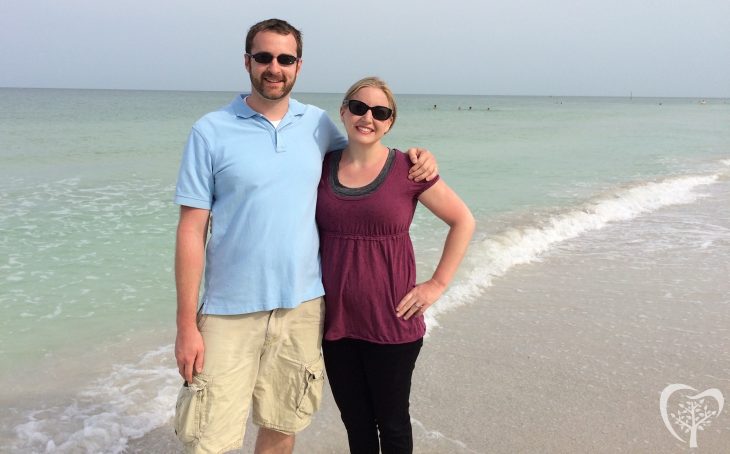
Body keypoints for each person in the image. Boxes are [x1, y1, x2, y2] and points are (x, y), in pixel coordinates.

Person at [172, 19, 437, 454]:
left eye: (285, 58)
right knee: (209, 438)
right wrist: (186, 324)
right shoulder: (210, 131)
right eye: (264, 57)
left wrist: (417, 156)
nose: (274, 68)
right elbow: (190, 229)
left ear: (298, 65)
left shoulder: (317, 125)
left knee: (282, 425)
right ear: (247, 62)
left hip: (304, 308)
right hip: (228, 312)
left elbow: (364, 150)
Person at [316, 77, 475, 453]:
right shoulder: (321, 167)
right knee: (355, 423)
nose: (367, 117)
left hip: (392, 322)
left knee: (392, 423)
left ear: (390, 122)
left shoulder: (409, 168)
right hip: (336, 323)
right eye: (358, 107)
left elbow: (463, 221)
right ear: (343, 111)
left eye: (380, 112)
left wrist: (437, 284)